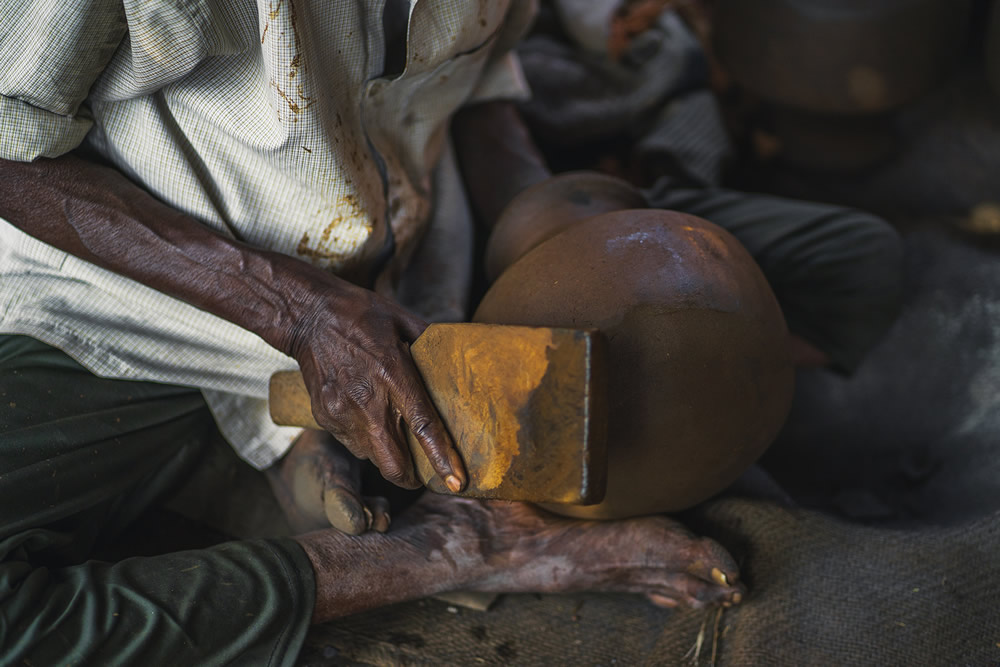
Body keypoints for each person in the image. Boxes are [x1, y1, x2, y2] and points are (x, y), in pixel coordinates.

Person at [0, 1, 901, 664]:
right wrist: (297, 310)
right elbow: (10, 146)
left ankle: (327, 459)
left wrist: (546, 225)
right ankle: (455, 544)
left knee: (856, 260)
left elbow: (473, 88)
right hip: (145, 310)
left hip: (421, 266)